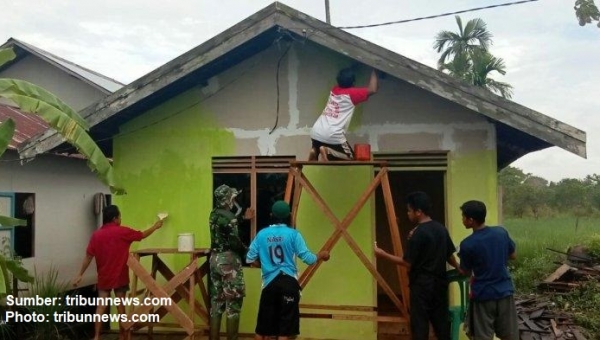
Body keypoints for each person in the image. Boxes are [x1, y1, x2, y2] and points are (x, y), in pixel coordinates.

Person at [374, 191, 459, 340]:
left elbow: (407, 262)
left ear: (418, 212)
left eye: (409, 210)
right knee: (441, 323)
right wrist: (459, 267)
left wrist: (382, 254)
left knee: (420, 324)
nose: (408, 213)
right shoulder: (440, 229)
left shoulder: (418, 234)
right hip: (440, 284)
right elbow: (449, 255)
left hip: (421, 286)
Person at [72, 204, 165, 340]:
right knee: (120, 306)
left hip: (104, 277)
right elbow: (142, 235)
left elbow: (88, 256)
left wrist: (80, 274)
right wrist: (155, 227)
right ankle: (123, 335)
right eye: (120, 216)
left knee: (101, 307)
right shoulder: (122, 232)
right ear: (115, 218)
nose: (121, 219)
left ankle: (96, 336)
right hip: (119, 276)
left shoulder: (96, 235)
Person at [246, 200, 330, 340]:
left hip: (269, 285)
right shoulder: (293, 234)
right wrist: (322, 255)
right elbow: (308, 259)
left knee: (262, 329)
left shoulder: (262, 234)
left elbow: (249, 259)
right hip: (288, 284)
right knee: (285, 330)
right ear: (289, 215)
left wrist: (264, 265)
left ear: (271, 215)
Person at [458, 200, 518, 340]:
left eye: (463, 217)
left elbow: (465, 272)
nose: (462, 220)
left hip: (483, 295)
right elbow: (513, 255)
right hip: (504, 292)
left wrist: (457, 266)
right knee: (508, 335)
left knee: (483, 336)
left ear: (471, 220)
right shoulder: (501, 232)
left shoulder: (467, 244)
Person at [209, 184, 254, 340]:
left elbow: (224, 228)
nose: (233, 200)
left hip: (214, 259)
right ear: (227, 199)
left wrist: (240, 219)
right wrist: (249, 253)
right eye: (232, 198)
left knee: (216, 303)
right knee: (233, 304)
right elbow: (235, 242)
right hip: (229, 262)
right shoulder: (230, 218)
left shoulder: (213, 214)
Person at [308, 67, 378, 161]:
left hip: (316, 131)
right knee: (351, 158)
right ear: (353, 82)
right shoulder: (352, 94)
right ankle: (327, 150)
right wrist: (375, 69)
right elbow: (373, 89)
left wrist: (353, 67)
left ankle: (314, 151)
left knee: (316, 157)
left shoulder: (334, 90)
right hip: (332, 134)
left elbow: (344, 77)